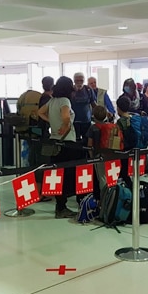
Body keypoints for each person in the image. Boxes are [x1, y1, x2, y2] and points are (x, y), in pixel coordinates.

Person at [38, 76, 82, 219]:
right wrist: (65, 126)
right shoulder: (64, 101)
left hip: (54, 141)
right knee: (67, 175)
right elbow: (66, 117)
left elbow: (40, 112)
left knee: (57, 175)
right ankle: (62, 208)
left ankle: (60, 205)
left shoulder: (52, 100)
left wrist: (52, 121)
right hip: (66, 142)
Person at [70, 72, 96, 141]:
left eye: (81, 80)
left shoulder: (88, 89)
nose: (79, 82)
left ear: (84, 81)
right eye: (77, 80)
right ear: (74, 81)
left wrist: (101, 113)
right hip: (74, 121)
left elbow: (93, 103)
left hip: (86, 120)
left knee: (86, 140)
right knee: (75, 141)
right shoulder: (70, 90)